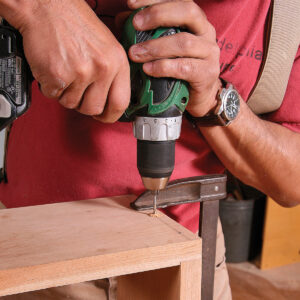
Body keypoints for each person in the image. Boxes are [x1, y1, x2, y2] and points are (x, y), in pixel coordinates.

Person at [0, 0, 299, 299]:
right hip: (37, 251)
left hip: (186, 253)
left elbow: (292, 182)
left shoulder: (287, 14)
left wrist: (211, 98)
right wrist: (44, 8)